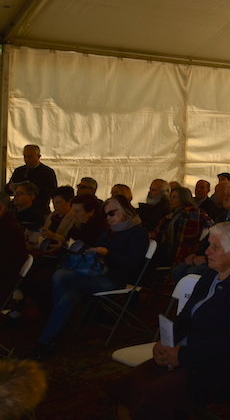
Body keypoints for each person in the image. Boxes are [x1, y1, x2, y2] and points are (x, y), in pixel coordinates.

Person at [109, 220, 230, 420]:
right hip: (190, 354)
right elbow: (186, 318)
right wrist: (166, 342)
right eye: (209, 244)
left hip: (224, 368)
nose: (207, 251)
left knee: (153, 403)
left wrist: (183, 356)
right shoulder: (211, 274)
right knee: (127, 389)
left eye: (215, 247)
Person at [33, 196, 149, 358]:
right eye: (106, 215)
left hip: (116, 279)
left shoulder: (138, 232)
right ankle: (55, 329)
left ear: (125, 211)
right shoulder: (110, 232)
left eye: (112, 213)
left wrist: (107, 253)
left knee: (67, 287)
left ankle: (50, 334)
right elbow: (95, 248)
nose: (108, 218)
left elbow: (132, 264)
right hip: (97, 272)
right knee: (61, 277)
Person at [152, 187, 213, 268]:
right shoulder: (172, 214)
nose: (171, 200)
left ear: (183, 198)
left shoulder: (190, 214)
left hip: (183, 253)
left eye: (174, 197)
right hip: (170, 250)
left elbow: (185, 240)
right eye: (171, 197)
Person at [6, 144, 57, 215]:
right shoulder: (19, 171)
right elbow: (7, 190)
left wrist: (33, 189)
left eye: (30, 157)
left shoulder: (47, 172)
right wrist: (11, 188)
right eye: (25, 156)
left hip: (39, 210)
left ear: (38, 157)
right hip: (19, 210)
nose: (27, 159)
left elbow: (52, 192)